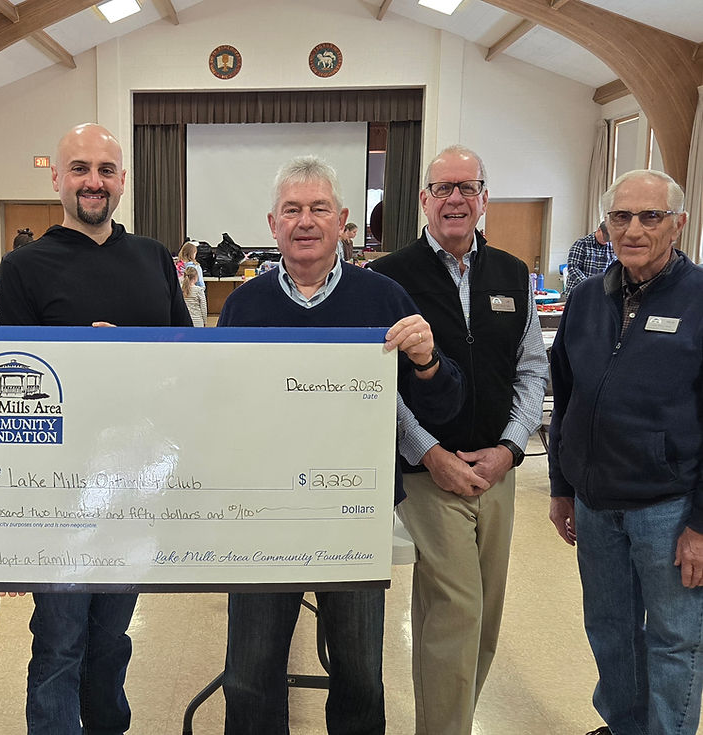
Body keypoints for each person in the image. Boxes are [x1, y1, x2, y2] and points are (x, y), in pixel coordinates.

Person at [217, 156, 465, 735]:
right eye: (292, 210)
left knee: (358, 673)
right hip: (261, 513)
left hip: (353, 513)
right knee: (250, 672)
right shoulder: (243, 307)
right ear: (273, 223)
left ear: (343, 221)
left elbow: (444, 406)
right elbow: (220, 410)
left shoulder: (383, 299)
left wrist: (427, 361)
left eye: (319, 209)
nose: (305, 221)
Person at [0, 123, 192, 734]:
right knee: (59, 641)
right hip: (62, 489)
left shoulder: (154, 258)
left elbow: (188, 362)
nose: (93, 181)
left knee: (112, 641)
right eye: (79, 168)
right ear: (56, 178)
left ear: (122, 181)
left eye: (106, 170)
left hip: (139, 485)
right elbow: (15, 390)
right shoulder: (24, 268)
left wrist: (134, 359)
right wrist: (81, 359)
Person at [371, 145, 547, 735]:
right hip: (428, 477)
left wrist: (511, 449)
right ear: (423, 199)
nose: (455, 199)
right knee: (456, 611)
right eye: (442, 188)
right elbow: (380, 387)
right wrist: (428, 452)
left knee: (485, 618)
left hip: (497, 472)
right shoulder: (390, 278)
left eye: (467, 188)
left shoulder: (512, 274)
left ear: (484, 199)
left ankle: (454, 723)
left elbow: (530, 369)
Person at [548, 169, 703, 735]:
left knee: (674, 638)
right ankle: (625, 727)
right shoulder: (588, 298)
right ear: (605, 225)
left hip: (669, 508)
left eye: (650, 216)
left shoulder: (699, 299)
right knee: (610, 630)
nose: (633, 229)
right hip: (594, 503)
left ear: (678, 224)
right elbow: (567, 392)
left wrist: (702, 525)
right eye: (621, 217)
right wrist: (563, 487)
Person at [563, 220, 615, 298]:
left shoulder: (612, 247)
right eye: (604, 237)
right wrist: (588, 284)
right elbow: (573, 268)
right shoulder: (582, 244)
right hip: (579, 291)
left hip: (601, 293)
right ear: (599, 230)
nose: (606, 241)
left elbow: (613, 269)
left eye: (608, 239)